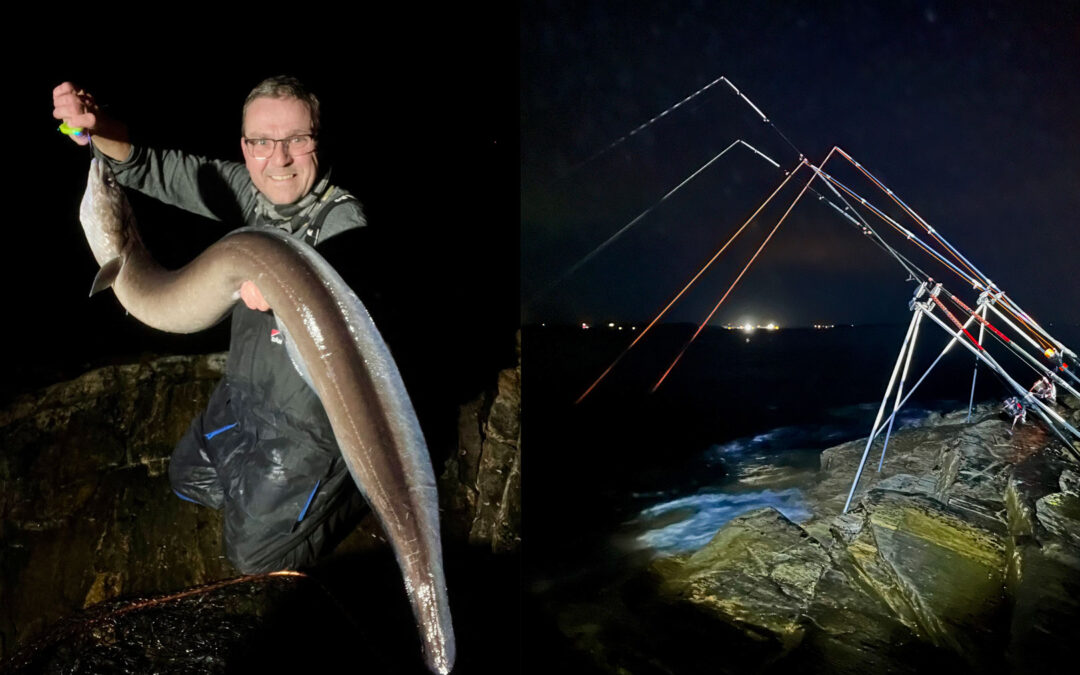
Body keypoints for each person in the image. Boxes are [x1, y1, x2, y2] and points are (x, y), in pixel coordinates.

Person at [53, 76, 369, 573]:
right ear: (246, 147)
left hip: (307, 423)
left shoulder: (343, 222)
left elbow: (349, 277)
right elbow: (153, 167)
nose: (279, 158)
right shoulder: (254, 191)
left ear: (318, 141)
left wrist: (288, 288)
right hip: (244, 395)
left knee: (254, 561)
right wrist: (95, 128)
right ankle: (278, 502)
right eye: (262, 141)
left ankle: (352, 486)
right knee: (186, 478)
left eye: (297, 139)